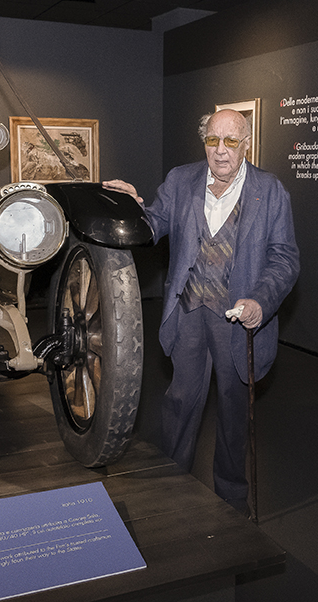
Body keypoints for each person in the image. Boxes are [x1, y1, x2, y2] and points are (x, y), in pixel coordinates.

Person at [104, 109, 299, 512]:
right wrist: (131, 205)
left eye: (231, 141)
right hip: (189, 311)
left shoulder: (270, 191)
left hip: (237, 319)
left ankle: (231, 497)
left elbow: (285, 258)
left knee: (232, 412)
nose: (221, 151)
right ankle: (169, 484)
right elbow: (153, 225)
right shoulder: (181, 180)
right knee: (180, 401)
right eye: (213, 140)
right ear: (204, 142)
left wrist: (260, 301)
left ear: (246, 143)